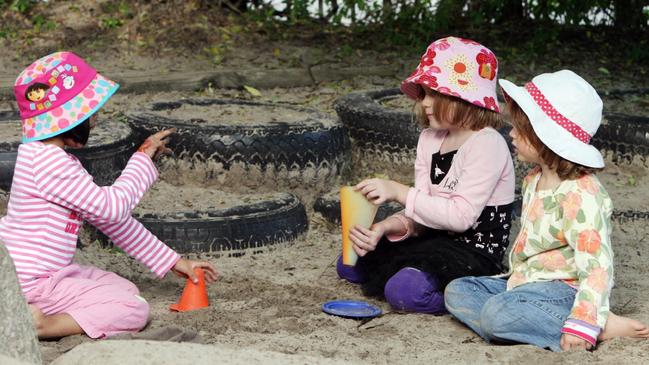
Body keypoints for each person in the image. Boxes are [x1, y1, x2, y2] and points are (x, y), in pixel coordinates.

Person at [0, 51, 218, 339]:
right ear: (72, 115)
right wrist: (141, 158)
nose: (92, 121)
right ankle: (41, 324)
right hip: (31, 282)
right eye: (89, 114)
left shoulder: (45, 158)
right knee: (133, 307)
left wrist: (174, 262)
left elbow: (114, 224)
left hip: (30, 273)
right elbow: (113, 209)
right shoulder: (50, 164)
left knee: (122, 287)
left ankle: (36, 312)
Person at [444, 70, 649, 351]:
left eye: (520, 128)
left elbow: (597, 266)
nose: (511, 133)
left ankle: (593, 326)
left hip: (563, 290)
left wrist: (585, 317)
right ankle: (524, 322)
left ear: (545, 135)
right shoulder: (534, 179)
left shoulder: (581, 193)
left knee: (496, 314)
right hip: (525, 283)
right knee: (458, 290)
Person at [337, 36, 515, 314]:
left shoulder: (487, 143)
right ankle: (415, 273)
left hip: (474, 251)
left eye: (434, 93)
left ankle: (466, 295)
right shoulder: (429, 138)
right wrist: (383, 228)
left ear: (463, 98)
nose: (424, 103)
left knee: (405, 292)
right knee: (351, 262)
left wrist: (398, 191)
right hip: (434, 239)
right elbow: (423, 212)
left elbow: (459, 217)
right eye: (422, 93)